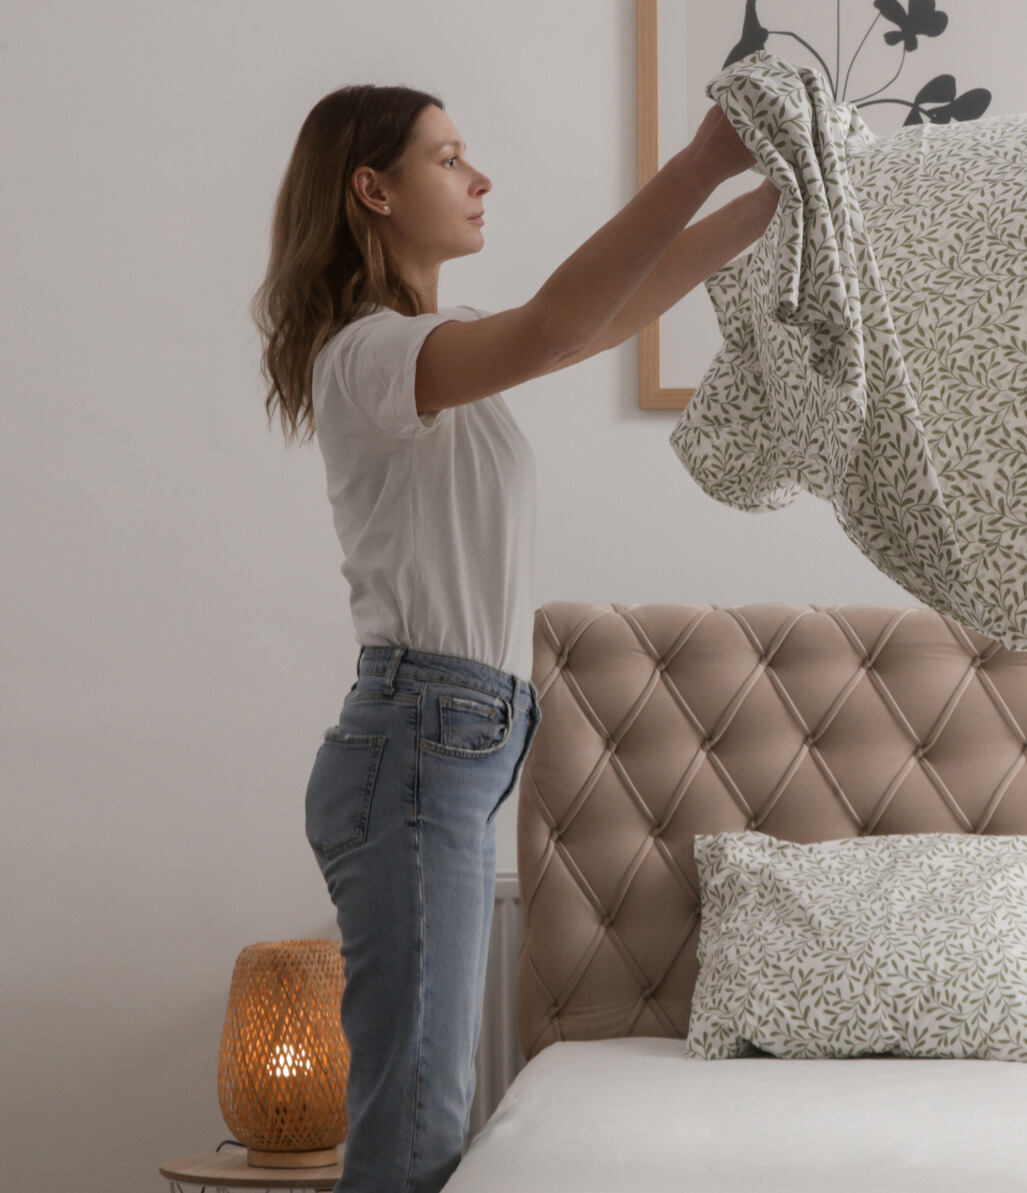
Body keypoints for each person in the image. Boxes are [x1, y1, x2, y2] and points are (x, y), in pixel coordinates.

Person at [251, 84, 775, 1193]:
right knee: (413, 1121)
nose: (479, 177)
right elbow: (554, 323)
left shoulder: (433, 358)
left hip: (441, 744)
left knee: (424, 1107)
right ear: (373, 189)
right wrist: (695, 166)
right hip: (416, 742)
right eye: (449, 158)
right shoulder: (374, 354)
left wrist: (769, 205)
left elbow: (607, 319)